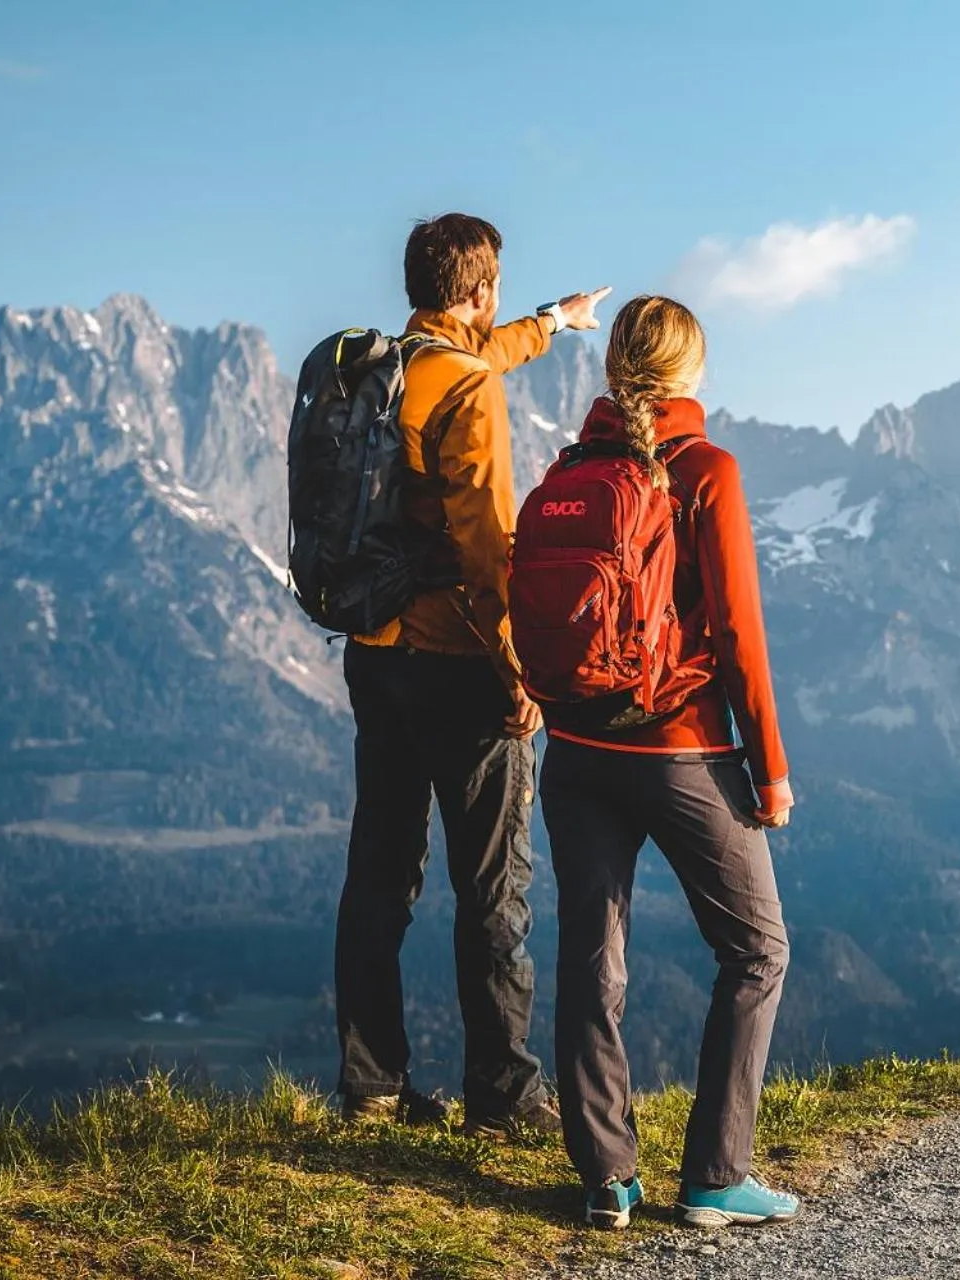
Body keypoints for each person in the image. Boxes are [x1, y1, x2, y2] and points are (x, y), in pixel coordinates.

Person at [334, 211, 608, 1136]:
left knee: (381, 871)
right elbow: (490, 552)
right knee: (493, 890)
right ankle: (503, 1093)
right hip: (459, 661)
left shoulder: (385, 369)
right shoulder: (471, 392)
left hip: (376, 656)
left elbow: (482, 350)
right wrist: (522, 676)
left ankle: (370, 1085)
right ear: (479, 290)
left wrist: (556, 320)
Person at [536, 296, 799, 1230]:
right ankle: (715, 1174)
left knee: (589, 961)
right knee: (756, 950)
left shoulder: (571, 470)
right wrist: (768, 767)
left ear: (613, 368)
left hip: (571, 752)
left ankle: (606, 1177)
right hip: (682, 753)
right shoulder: (706, 471)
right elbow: (738, 632)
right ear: (693, 372)